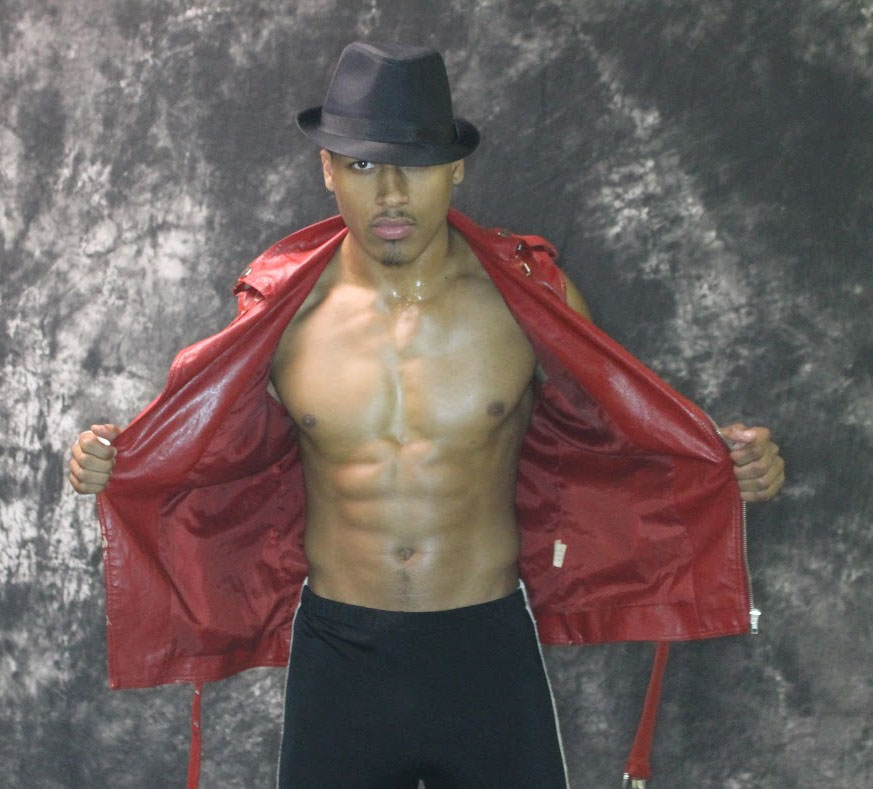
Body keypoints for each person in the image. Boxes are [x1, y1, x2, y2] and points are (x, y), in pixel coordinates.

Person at [69, 42, 784, 788]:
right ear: (327, 169)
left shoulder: (527, 297)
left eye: (414, 164)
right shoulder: (282, 313)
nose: (390, 194)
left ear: (456, 168)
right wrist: (113, 458)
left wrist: (729, 462)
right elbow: (205, 451)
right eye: (363, 165)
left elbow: (625, 433)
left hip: (486, 650)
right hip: (339, 657)